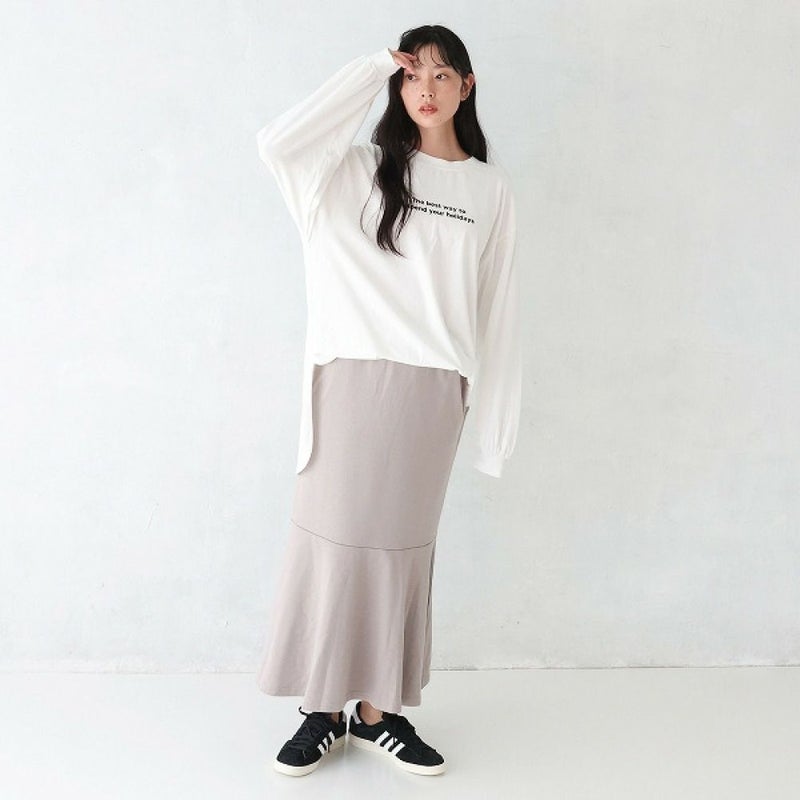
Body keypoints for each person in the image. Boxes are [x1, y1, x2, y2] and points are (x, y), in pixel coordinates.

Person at [254, 24, 521, 777]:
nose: (425, 89)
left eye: (442, 74)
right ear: (396, 86)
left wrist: (493, 428)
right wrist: (372, 66)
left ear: (467, 86)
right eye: (412, 75)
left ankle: (378, 713)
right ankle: (321, 709)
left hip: (433, 394)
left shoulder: (489, 190)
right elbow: (277, 143)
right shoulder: (350, 171)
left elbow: (499, 310)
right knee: (335, 545)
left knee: (402, 553)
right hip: (348, 382)